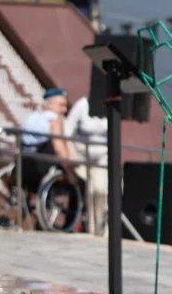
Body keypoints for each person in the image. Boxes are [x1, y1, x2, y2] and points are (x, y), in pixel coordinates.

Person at [65, 96, 108, 234]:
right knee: (89, 190)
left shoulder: (111, 104)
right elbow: (67, 130)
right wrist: (70, 154)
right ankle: (91, 228)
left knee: (101, 190)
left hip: (101, 158)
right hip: (82, 157)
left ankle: (101, 227)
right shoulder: (82, 105)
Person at [20, 87, 75, 195]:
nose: (64, 110)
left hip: (24, 164)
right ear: (49, 104)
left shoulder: (32, 117)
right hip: (42, 166)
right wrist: (70, 172)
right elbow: (59, 148)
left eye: (66, 106)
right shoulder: (54, 120)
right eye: (61, 105)